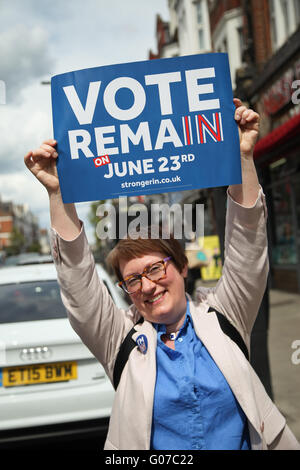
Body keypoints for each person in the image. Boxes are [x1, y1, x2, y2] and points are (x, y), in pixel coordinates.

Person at [24, 99, 300, 450]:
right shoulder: (119, 339)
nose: (148, 286)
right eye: (133, 279)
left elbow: (248, 243)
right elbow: (78, 282)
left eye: (155, 268)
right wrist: (57, 191)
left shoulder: (225, 315)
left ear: (182, 266)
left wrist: (243, 158)